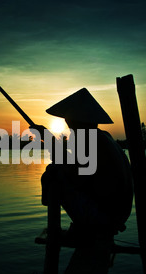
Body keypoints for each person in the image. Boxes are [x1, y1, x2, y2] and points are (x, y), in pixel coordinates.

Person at [30, 88, 134, 244]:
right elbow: (77, 168)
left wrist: (50, 142)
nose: (68, 125)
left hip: (104, 220)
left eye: (70, 121)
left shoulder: (89, 139)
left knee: (53, 174)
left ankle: (84, 229)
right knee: (56, 171)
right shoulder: (104, 138)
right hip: (115, 217)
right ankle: (85, 227)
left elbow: (77, 177)